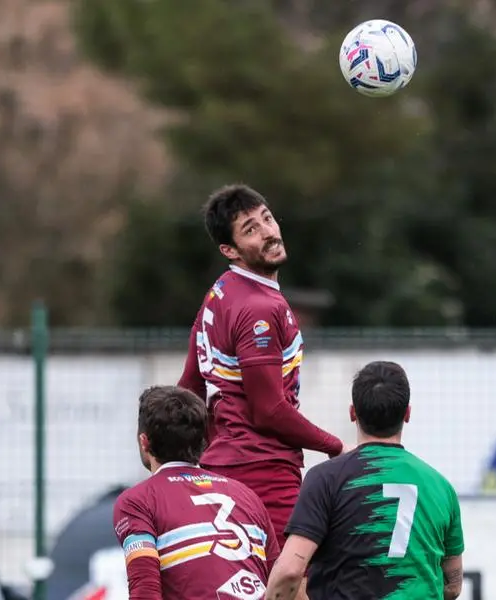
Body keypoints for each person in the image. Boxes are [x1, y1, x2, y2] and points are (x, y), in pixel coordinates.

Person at [176, 183, 349, 551]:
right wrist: (334, 446)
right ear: (230, 250)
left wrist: (203, 454)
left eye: (267, 219)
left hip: (220, 469)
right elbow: (268, 409)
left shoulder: (218, 293)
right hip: (264, 471)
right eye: (250, 230)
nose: (268, 232)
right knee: (297, 580)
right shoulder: (259, 308)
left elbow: (189, 388)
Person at [265, 361, 465, 600]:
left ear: (352, 413)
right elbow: (452, 585)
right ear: (407, 414)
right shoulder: (441, 487)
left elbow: (289, 571)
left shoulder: (325, 478)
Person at [112, 385, 280, 599]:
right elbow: (283, 580)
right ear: (203, 441)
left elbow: (145, 591)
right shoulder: (247, 496)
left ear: (144, 441)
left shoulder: (137, 501)